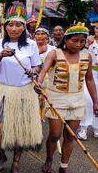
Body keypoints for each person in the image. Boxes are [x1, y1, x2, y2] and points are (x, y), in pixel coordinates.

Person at [0, 3, 43, 173]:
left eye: (18, 25)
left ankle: (16, 160)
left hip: (24, 91)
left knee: (19, 129)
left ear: (24, 27)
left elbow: (37, 66)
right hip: (3, 91)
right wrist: (1, 55)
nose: (14, 28)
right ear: (5, 26)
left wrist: (34, 70)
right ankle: (2, 155)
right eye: (11, 24)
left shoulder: (31, 45)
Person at [37, 23, 98, 173]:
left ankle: (64, 166)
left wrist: (96, 101)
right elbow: (43, 71)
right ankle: (49, 158)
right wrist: (38, 83)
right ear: (66, 39)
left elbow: (89, 80)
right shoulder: (54, 54)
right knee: (55, 134)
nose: (78, 44)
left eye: (82, 41)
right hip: (56, 99)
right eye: (74, 40)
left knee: (70, 136)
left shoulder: (87, 56)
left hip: (77, 100)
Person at [77, 25, 98, 140]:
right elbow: (78, 53)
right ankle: (83, 128)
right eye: (97, 28)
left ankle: (96, 128)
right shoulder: (87, 40)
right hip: (89, 75)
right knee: (88, 100)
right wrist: (86, 45)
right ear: (94, 29)